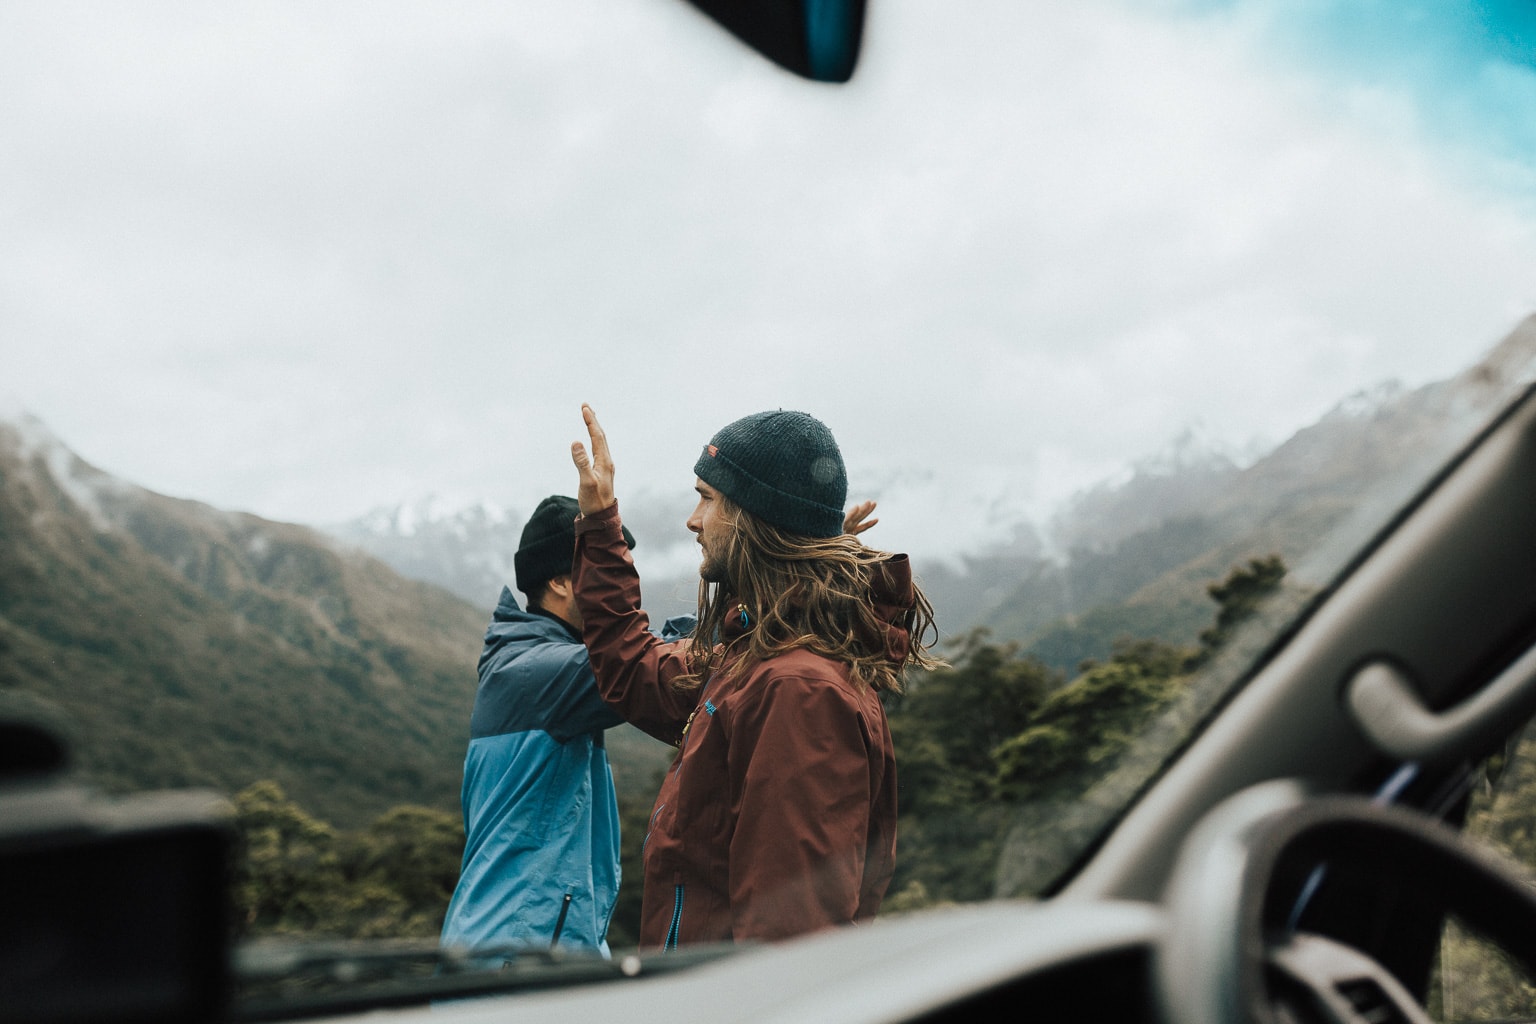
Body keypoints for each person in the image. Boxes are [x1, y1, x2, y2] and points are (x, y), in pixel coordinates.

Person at [569, 404, 938, 949]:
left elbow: (787, 944)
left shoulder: (797, 693)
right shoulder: (751, 657)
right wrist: (601, 523)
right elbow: (631, 667)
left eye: (708, 498)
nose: (693, 520)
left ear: (755, 518)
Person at [439, 494, 656, 956]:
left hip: (535, 943)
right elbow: (650, 663)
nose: (621, 584)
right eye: (605, 568)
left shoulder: (534, 663)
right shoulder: (540, 673)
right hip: (516, 956)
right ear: (559, 582)